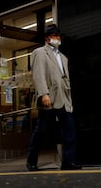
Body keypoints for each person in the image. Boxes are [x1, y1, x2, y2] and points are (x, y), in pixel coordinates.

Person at [26, 24, 81, 171]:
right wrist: (44, 93)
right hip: (49, 97)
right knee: (42, 130)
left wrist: (69, 99)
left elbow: (65, 79)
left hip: (64, 98)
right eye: (55, 36)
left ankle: (68, 161)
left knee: (69, 131)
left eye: (58, 36)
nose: (58, 38)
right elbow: (39, 75)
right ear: (47, 38)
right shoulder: (40, 52)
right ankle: (31, 161)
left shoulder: (63, 57)